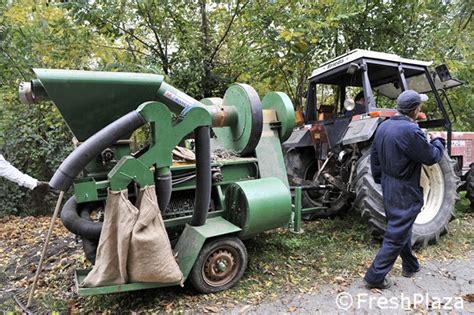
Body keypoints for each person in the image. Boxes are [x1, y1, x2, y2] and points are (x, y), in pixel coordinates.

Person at [364, 90, 446, 289]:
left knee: (401, 228)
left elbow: (374, 158)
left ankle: (410, 265)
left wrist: (381, 180)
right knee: (396, 234)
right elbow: (431, 157)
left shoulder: (383, 127)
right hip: (405, 190)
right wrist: (438, 141)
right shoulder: (411, 131)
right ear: (416, 110)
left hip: (389, 186)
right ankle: (375, 276)